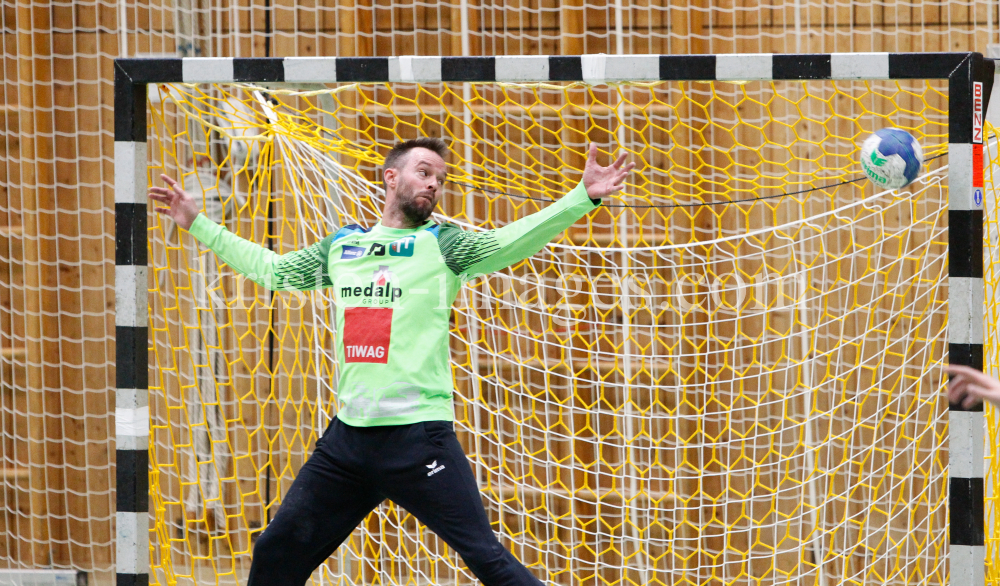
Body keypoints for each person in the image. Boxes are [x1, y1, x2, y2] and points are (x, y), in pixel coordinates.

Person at [148, 136, 635, 586]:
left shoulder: (444, 246)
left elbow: (509, 242)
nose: (433, 184)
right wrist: (199, 223)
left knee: (487, 559)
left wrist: (581, 198)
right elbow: (275, 272)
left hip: (418, 439)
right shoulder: (342, 247)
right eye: (424, 172)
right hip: (348, 443)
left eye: (440, 179)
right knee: (275, 551)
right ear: (390, 176)